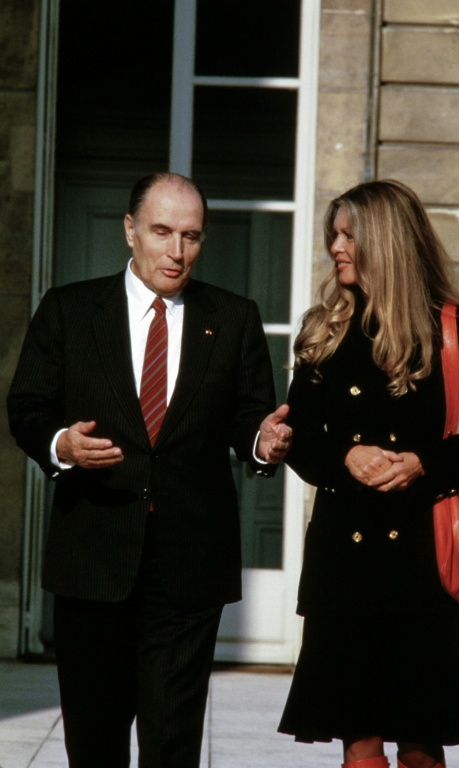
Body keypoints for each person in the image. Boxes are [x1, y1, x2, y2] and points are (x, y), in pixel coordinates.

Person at [7, 172, 292, 768]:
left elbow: (249, 418)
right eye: (162, 232)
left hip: (189, 564)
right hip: (94, 557)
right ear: (130, 231)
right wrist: (61, 444)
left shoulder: (234, 317)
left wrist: (263, 443)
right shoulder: (70, 309)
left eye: (191, 235)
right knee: (95, 744)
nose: (177, 250)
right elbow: (26, 407)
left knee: (171, 745)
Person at [277, 179, 459, 768]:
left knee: (422, 748)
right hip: (342, 563)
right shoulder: (323, 328)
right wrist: (344, 458)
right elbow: (298, 438)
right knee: (358, 747)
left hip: (420, 568)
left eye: (348, 234)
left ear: (385, 241)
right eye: (334, 234)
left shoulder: (457, 328)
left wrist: (424, 463)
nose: (335, 247)